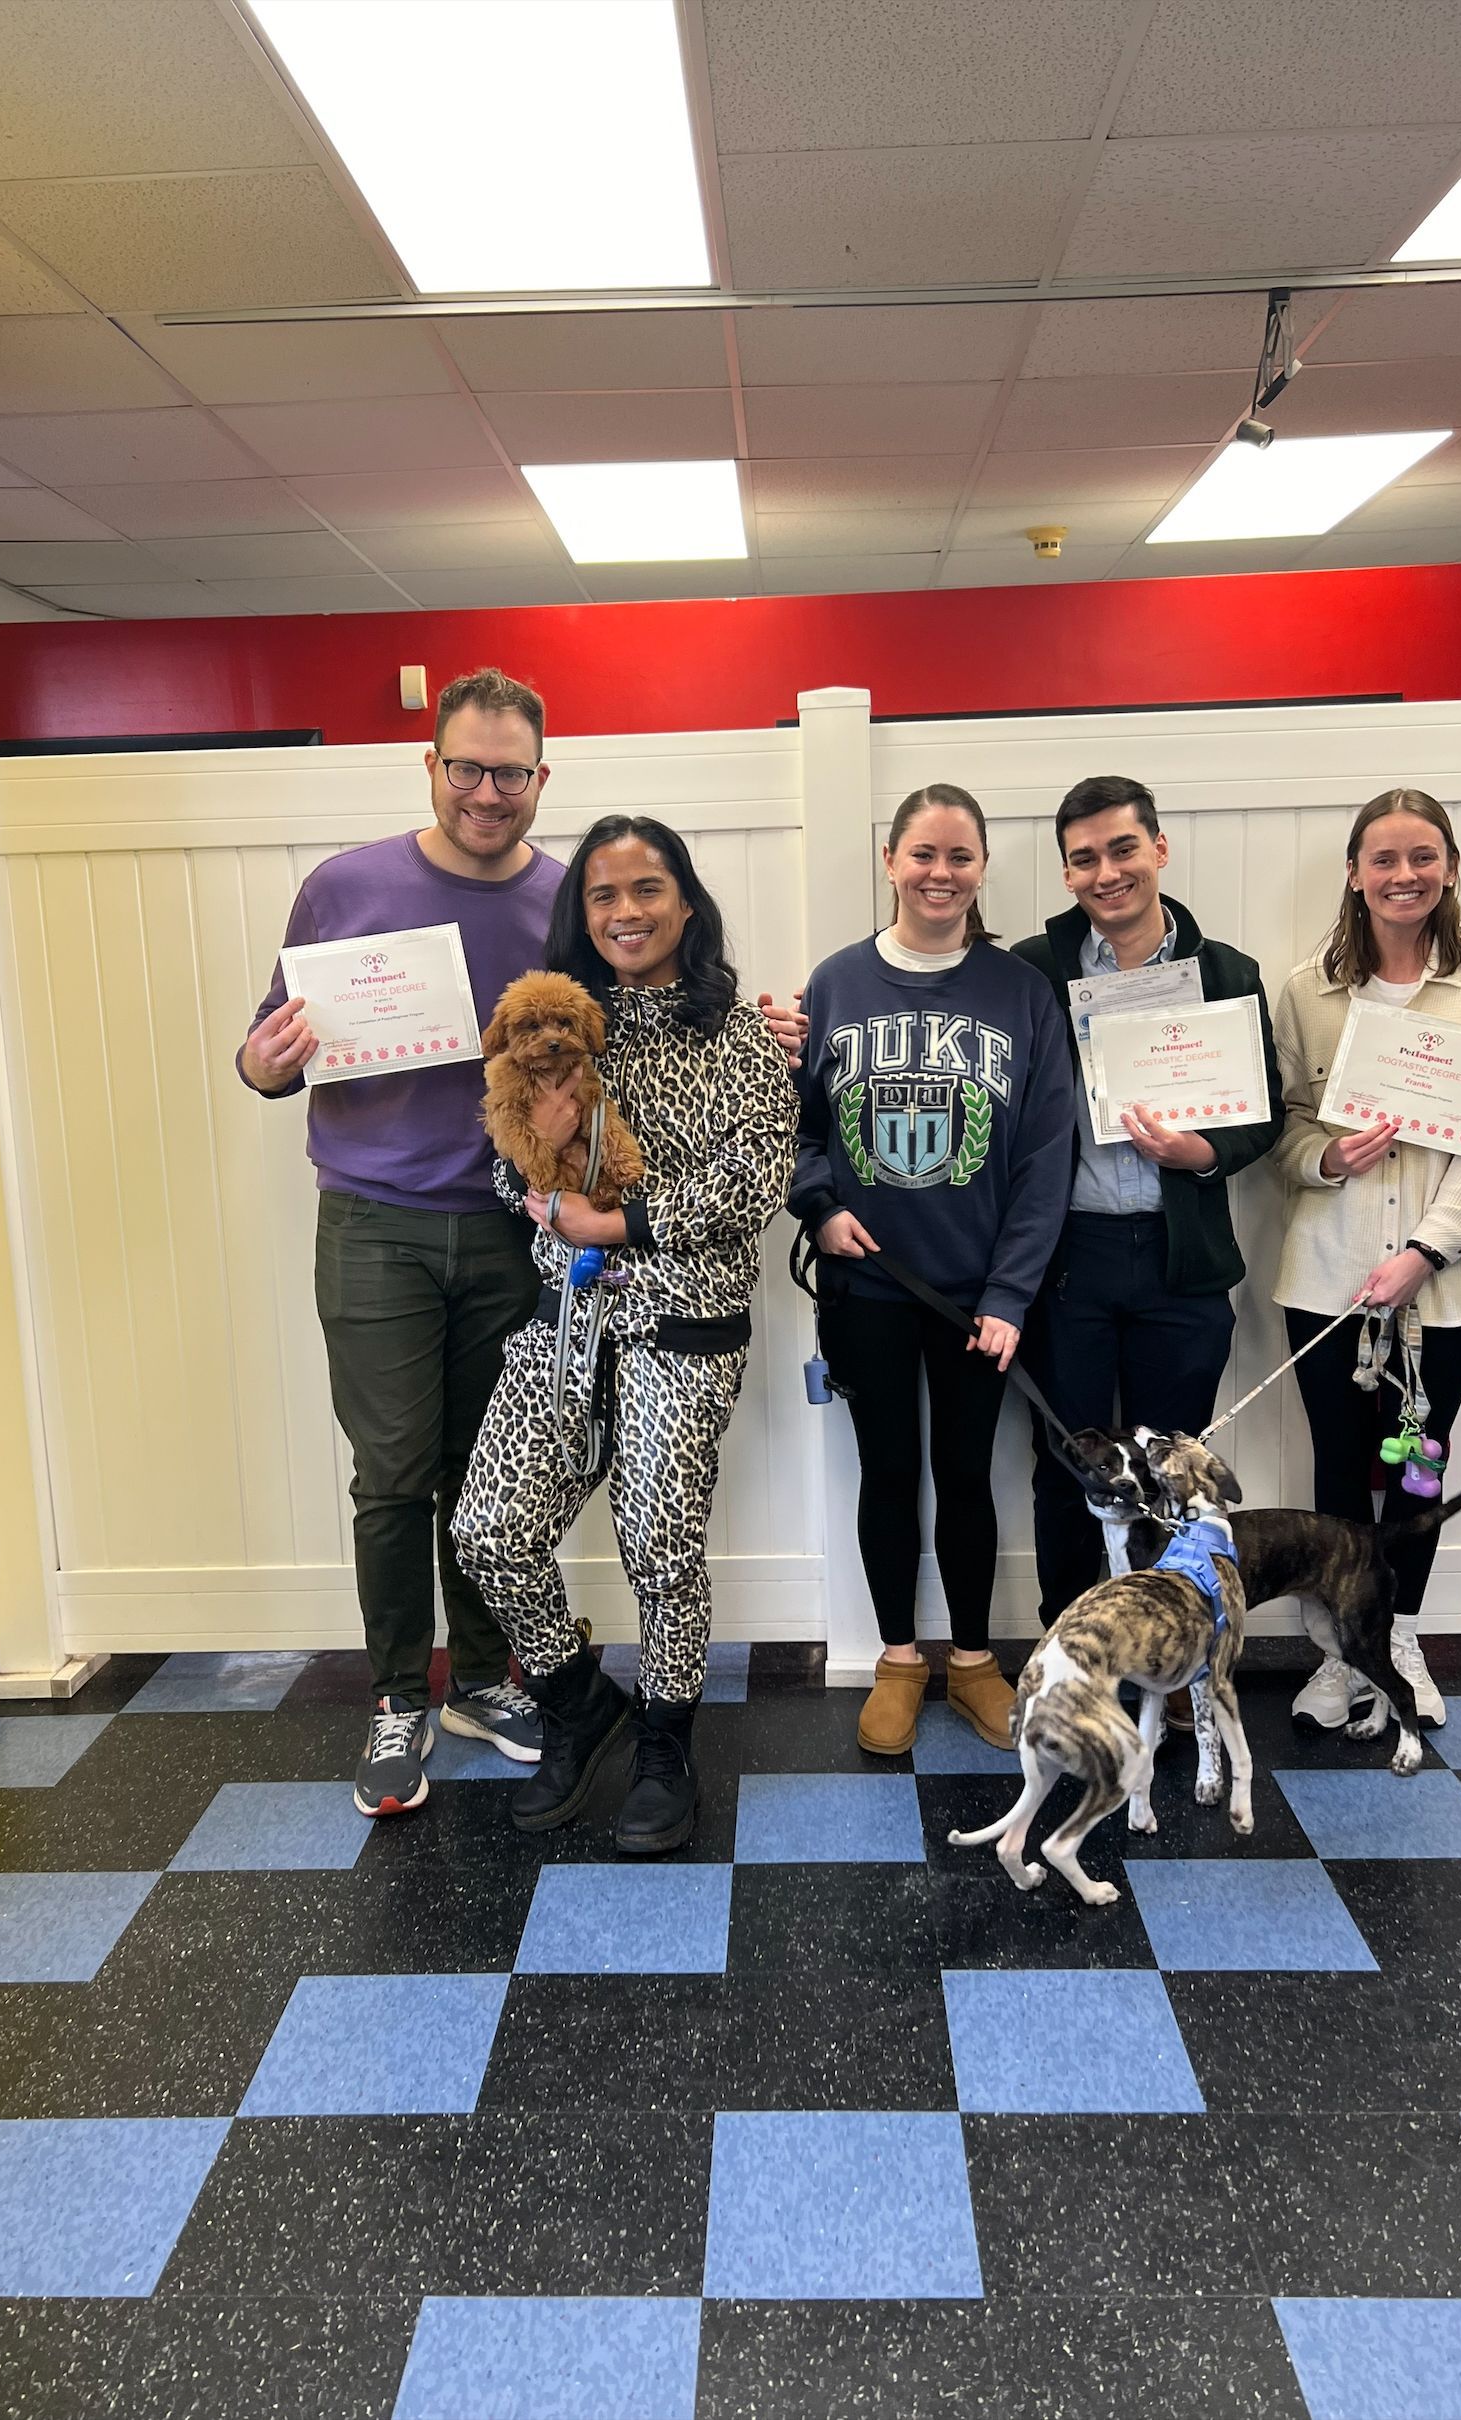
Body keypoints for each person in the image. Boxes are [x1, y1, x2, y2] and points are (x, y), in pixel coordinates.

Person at [238, 667, 567, 1815]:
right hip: (373, 1223)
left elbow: (618, 1041)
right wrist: (260, 1066)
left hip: (508, 1226)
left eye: (509, 772)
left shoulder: (568, 897)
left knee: (486, 1479)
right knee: (391, 1476)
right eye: (466, 767)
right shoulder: (343, 887)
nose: (487, 790)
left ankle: (481, 1677)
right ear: (429, 766)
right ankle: (396, 1696)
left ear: (540, 777)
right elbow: (264, 1047)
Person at [453, 817, 799, 1854]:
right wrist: (538, 1169)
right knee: (488, 1529)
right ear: (582, 915)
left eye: (648, 888)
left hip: (683, 1320)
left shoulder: (739, 1032)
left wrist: (625, 1220)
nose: (626, 911)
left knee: (658, 1543)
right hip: (567, 1321)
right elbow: (507, 1168)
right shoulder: (546, 1023)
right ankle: (576, 1704)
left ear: (685, 901)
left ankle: (663, 1739)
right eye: (603, 895)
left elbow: (760, 1175)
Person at [789, 783, 1073, 1756]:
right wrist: (818, 1206)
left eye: (958, 855)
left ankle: (972, 1661)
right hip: (867, 1285)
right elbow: (799, 1127)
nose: (939, 872)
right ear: (889, 860)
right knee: (887, 1470)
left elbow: (1045, 1153)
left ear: (982, 866)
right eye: (922, 853)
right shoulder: (832, 984)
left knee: (965, 1474)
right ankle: (899, 1658)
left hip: (973, 1295)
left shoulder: (1019, 992)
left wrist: (1009, 1293)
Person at [1014, 776, 1283, 1721]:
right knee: (1067, 1470)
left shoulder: (1229, 969)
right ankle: (1067, 1657)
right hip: (1069, 1259)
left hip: (1182, 1262)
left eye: (1122, 849)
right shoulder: (1032, 966)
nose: (1105, 872)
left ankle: (1171, 1668)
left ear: (1159, 849)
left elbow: (1266, 1116)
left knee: (1178, 1475)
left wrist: (1204, 1151)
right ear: (1066, 870)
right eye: (1084, 857)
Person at [1272, 786, 1461, 1730]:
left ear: (1450, 868)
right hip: (1330, 1272)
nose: (1404, 875)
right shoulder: (1305, 989)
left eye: (1423, 857)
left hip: (1447, 1282)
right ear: (1354, 873)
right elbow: (1287, 1130)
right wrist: (1326, 1157)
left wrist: (1427, 1250)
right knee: (1341, 1470)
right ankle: (1342, 1656)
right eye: (1383, 859)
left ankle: (1404, 1635)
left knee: (1419, 1462)